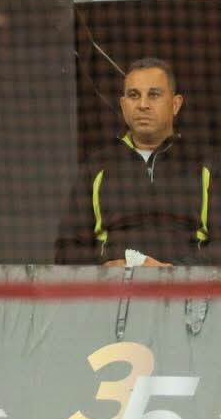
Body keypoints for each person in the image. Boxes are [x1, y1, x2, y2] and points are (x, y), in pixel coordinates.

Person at [55, 57, 214, 266]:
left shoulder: (206, 165)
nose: (143, 105)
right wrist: (104, 268)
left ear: (175, 104)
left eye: (154, 95)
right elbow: (65, 250)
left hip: (185, 286)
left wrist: (176, 271)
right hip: (115, 286)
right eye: (133, 95)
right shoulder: (97, 167)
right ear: (123, 105)